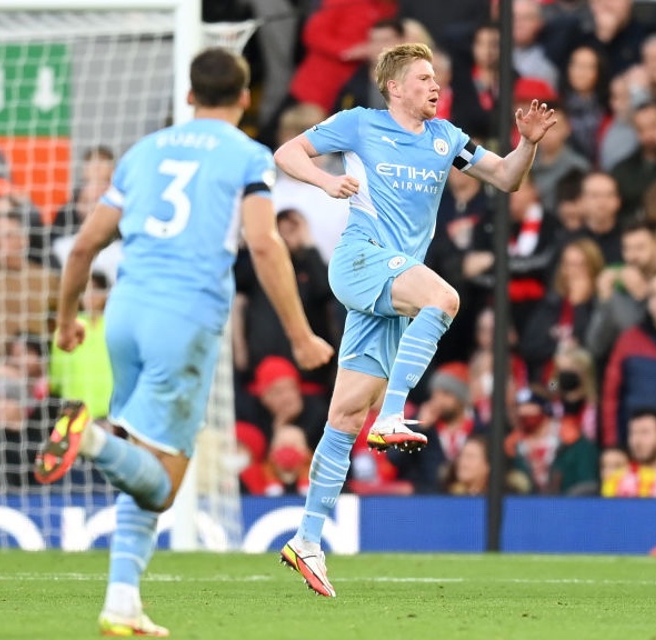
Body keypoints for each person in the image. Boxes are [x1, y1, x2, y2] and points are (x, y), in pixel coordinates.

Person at [30, 48, 334, 636]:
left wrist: (66, 320)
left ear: (189, 96)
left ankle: (122, 602)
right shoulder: (248, 155)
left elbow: (86, 244)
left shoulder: (144, 151)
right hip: (184, 318)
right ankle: (89, 439)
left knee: (143, 460)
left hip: (124, 313)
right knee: (163, 486)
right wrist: (300, 334)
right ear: (246, 99)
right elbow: (265, 245)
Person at [273, 42, 556, 597]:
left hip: (395, 280)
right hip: (361, 259)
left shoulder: (446, 136)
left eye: (438, 79)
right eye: (425, 78)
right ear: (396, 86)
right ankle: (396, 416)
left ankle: (306, 539)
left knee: (347, 415)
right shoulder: (358, 123)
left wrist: (527, 144)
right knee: (445, 300)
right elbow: (287, 152)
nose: (435, 86)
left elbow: (505, 178)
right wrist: (328, 183)